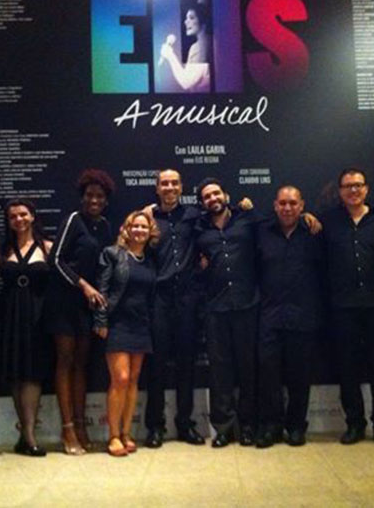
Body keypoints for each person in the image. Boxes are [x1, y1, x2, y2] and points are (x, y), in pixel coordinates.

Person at [321, 168, 374, 447]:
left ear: (366, 189)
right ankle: (354, 424)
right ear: (340, 191)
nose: (353, 190)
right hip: (342, 306)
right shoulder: (327, 221)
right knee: (348, 368)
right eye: (347, 186)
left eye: (358, 185)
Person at [47, 169, 114, 455]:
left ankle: (81, 425)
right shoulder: (73, 220)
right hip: (63, 301)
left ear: (106, 200)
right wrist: (83, 285)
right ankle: (67, 429)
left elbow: (105, 264)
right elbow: (55, 260)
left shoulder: (105, 226)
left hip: (87, 306)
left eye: (99, 196)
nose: (94, 200)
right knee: (65, 360)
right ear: (82, 196)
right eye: (89, 195)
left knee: (81, 364)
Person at [194, 178, 262, 447]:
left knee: (248, 368)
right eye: (207, 196)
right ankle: (223, 428)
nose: (212, 199)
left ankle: (248, 426)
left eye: (216, 193)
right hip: (216, 307)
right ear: (202, 203)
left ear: (225, 195)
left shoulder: (246, 219)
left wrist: (305, 217)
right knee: (220, 370)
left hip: (247, 304)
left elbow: (278, 227)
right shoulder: (199, 229)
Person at [255, 186, 324, 448]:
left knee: (299, 377)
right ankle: (271, 427)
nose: (287, 208)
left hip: (303, 316)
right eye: (282, 203)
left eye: (293, 203)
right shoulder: (262, 232)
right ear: (275, 205)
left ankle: (296, 426)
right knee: (268, 377)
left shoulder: (314, 233)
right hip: (269, 316)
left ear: (302, 205)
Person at [143, 170, 205, 448]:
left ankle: (185, 424)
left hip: (188, 298)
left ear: (182, 187)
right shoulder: (147, 218)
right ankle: (155, 427)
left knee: (186, 364)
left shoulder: (194, 215)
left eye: (174, 183)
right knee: (156, 365)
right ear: (157, 188)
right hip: (159, 298)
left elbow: (225, 217)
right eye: (164, 183)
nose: (169, 187)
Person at [94, 211, 160, 456]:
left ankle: (126, 433)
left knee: (133, 379)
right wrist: (101, 320)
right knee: (120, 378)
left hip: (141, 324)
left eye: (144, 227)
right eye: (136, 226)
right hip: (117, 323)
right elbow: (102, 289)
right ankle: (113, 436)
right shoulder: (112, 254)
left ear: (150, 232)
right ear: (127, 229)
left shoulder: (150, 260)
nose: (140, 231)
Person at [0, 199, 52, 457]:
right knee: (15, 371)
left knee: (32, 371)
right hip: (9, 313)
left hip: (38, 314)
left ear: (32, 216)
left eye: (23, 214)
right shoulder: (2, 247)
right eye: (13, 216)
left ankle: (29, 435)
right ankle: (24, 436)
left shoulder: (47, 247)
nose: (19, 219)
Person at [159, 0, 211, 92]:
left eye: (191, 18)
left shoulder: (200, 48)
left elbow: (186, 83)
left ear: (202, 20)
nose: (186, 21)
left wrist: (170, 56)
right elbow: (202, 9)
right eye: (186, 18)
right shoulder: (208, 40)